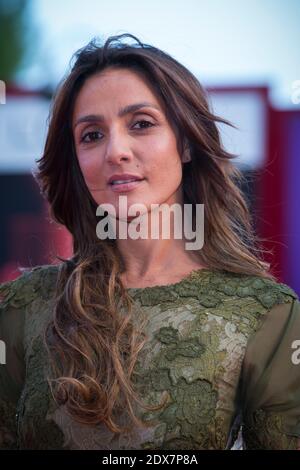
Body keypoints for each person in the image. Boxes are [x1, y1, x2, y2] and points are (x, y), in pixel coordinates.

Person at [0, 33, 300, 450]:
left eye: (140, 124)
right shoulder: (20, 307)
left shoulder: (267, 314)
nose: (116, 151)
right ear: (76, 161)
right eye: (91, 135)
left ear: (188, 143)